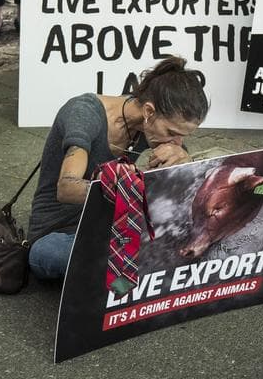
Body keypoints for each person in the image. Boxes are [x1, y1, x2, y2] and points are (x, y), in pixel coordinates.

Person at [27, 56, 208, 280]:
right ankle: (126, 268)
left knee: (194, 234)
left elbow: (179, 192)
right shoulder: (85, 113)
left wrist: (184, 159)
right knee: (50, 253)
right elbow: (66, 188)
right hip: (61, 230)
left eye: (184, 136)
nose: (176, 141)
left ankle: (122, 268)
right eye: (172, 133)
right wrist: (129, 192)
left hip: (111, 226)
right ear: (149, 112)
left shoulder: (152, 127)